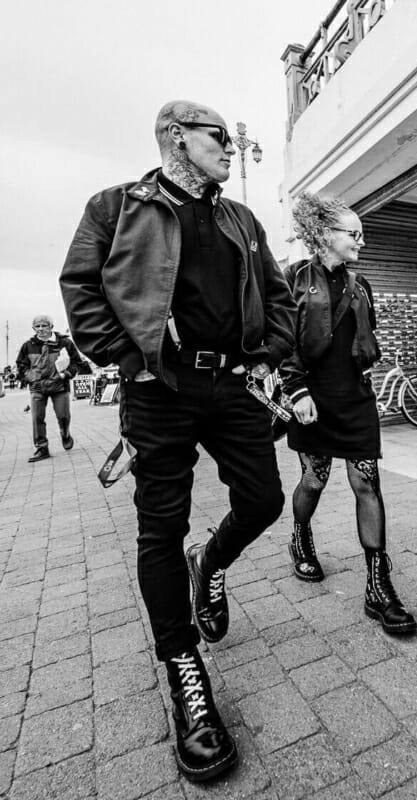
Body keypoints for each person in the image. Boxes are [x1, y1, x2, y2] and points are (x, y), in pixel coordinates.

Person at [60, 100, 296, 783]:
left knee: (263, 501)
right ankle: (184, 670)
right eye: (218, 136)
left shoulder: (240, 218)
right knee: (159, 529)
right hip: (158, 390)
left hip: (233, 387)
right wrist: (129, 361)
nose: (229, 147)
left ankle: (212, 565)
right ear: (176, 137)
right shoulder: (115, 207)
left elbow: (277, 296)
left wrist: (267, 352)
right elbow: (80, 285)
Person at [280, 192, 416, 636]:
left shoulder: (361, 284)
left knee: (366, 482)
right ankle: (300, 536)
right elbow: (283, 341)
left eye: (361, 233)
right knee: (314, 480)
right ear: (324, 235)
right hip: (312, 401)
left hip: (355, 399)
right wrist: (296, 390)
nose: (361, 240)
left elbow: (363, 337)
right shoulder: (294, 278)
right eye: (353, 233)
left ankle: (379, 587)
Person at [16, 315, 87, 462]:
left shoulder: (65, 343)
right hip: (37, 387)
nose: (41, 329)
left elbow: (77, 362)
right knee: (37, 418)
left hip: (59, 386)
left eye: (44, 325)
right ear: (34, 328)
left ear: (51, 327)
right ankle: (42, 448)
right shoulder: (28, 346)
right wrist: (30, 376)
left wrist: (65, 374)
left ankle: (65, 433)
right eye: (37, 326)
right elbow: (21, 366)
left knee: (63, 416)